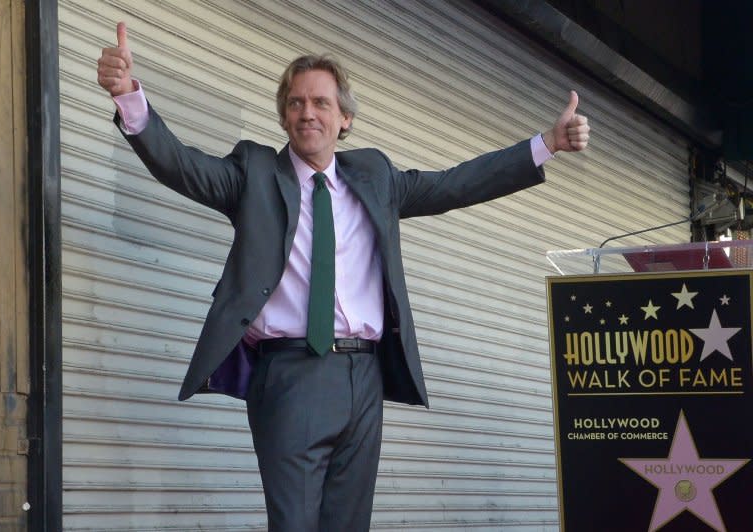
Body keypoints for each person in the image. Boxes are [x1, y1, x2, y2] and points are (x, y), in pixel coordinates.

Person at [97, 21, 589, 532]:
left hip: (364, 378)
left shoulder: (374, 176)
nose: (307, 112)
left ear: (345, 118)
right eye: (295, 103)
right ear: (284, 115)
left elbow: (454, 185)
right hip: (290, 373)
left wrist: (547, 143)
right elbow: (181, 165)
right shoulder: (254, 172)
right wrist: (130, 97)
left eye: (321, 102)